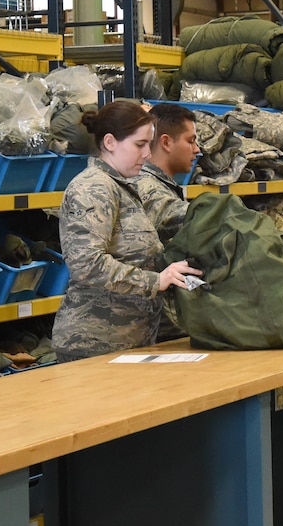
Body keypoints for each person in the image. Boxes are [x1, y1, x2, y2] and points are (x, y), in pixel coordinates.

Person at [51, 100, 202, 362]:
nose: (146, 154)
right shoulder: (92, 189)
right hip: (93, 345)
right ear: (110, 142)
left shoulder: (124, 188)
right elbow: (87, 264)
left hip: (128, 342)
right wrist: (156, 281)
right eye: (140, 145)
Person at [135, 102, 197, 240]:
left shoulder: (158, 183)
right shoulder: (149, 188)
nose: (197, 149)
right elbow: (197, 219)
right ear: (166, 143)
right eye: (190, 141)